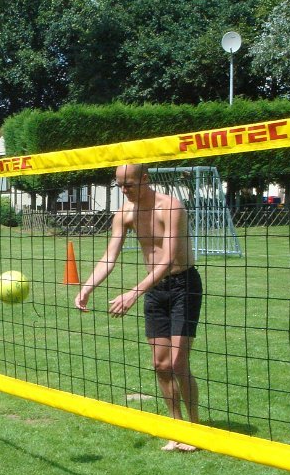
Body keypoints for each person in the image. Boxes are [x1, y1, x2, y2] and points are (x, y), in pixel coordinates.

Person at [74, 164, 203, 452]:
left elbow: (169, 258)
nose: (124, 190)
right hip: (155, 290)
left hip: (184, 285)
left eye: (129, 184)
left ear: (144, 179)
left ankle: (195, 430)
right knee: (160, 365)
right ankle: (176, 428)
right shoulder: (126, 213)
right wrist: (87, 287)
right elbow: (110, 256)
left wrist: (134, 292)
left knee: (179, 362)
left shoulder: (171, 208)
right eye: (120, 185)